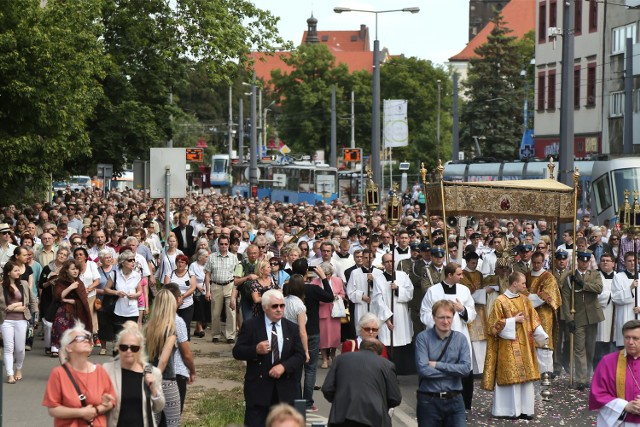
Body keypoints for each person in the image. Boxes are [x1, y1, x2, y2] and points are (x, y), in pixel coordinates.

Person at [232, 289, 306, 427]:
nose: (279, 309)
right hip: (258, 389)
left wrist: (284, 366)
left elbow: (300, 355)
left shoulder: (291, 328)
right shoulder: (251, 326)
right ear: (265, 307)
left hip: (284, 390)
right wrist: (255, 350)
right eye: (275, 306)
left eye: (282, 306)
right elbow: (237, 351)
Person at [482, 272, 548, 420]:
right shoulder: (500, 301)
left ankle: (525, 410)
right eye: (523, 283)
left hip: (525, 346)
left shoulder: (525, 300)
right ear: (514, 284)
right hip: (507, 346)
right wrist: (512, 321)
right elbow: (493, 327)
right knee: (510, 377)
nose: (525, 286)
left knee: (525, 380)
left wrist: (542, 335)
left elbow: (533, 320)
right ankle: (508, 410)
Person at [420, 262, 476, 410]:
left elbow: (472, 312)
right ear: (449, 275)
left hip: (460, 334)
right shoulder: (433, 291)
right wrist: (438, 324)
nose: (462, 276)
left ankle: (464, 404)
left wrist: (462, 309)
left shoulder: (464, 290)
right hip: (437, 337)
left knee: (462, 366)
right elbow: (424, 313)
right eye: (459, 274)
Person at [42, 322, 116, 426]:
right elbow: (53, 409)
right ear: (68, 347)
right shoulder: (58, 374)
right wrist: (81, 413)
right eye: (79, 338)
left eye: (87, 338)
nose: (86, 340)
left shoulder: (100, 371)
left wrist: (98, 409)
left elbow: (112, 402)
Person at [415, 300, 471, 427]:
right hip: (429, 401)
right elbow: (423, 370)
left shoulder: (461, 339)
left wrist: (437, 365)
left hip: (455, 401)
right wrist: (454, 371)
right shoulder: (423, 338)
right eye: (441, 317)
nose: (445, 321)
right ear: (433, 318)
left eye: (448, 317)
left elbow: (466, 369)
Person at [322, 338, 401, 427]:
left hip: (342, 417)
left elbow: (327, 388)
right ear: (379, 352)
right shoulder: (387, 365)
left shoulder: (341, 359)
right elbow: (395, 398)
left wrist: (340, 400)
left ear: (361, 347)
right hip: (374, 417)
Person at [102, 321, 165, 427]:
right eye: (124, 347)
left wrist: (154, 389)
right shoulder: (107, 370)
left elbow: (159, 407)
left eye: (134, 348)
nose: (128, 351)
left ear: (140, 349)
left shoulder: (153, 372)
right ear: (117, 348)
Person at [561, 251, 604, 390]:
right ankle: (581, 379)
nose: (584, 263)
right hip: (577, 317)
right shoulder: (570, 277)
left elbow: (599, 289)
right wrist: (568, 319)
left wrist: (582, 283)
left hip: (592, 316)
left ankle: (588, 375)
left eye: (586, 261)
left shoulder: (595, 274)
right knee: (579, 349)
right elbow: (566, 298)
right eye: (582, 261)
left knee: (590, 348)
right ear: (578, 261)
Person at [590, 319, 640, 426]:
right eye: (627, 337)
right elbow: (597, 393)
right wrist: (624, 406)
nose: (630, 342)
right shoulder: (608, 361)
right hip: (620, 422)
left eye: (635, 338)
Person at [372, 252, 414, 373]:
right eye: (387, 262)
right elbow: (377, 300)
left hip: (401, 314)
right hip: (387, 316)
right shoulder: (378, 279)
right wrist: (387, 318)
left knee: (401, 343)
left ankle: (401, 370)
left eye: (392, 261)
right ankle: (389, 371)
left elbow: (410, 293)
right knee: (388, 343)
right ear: (383, 264)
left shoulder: (403, 276)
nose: (390, 264)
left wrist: (398, 289)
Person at [144, 289, 180, 426]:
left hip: (149, 380)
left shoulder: (147, 328)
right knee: (172, 421)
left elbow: (144, 357)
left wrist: (149, 377)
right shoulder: (171, 329)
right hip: (167, 381)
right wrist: (157, 379)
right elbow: (164, 360)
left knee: (152, 421)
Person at [1, 260, 37, 383]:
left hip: (22, 319)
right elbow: (3, 306)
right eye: (15, 270)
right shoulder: (1, 286)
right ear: (8, 273)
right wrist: (12, 307)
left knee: (20, 349)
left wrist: (16, 305)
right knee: (8, 347)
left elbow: (31, 301)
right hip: (6, 320)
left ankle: (19, 368)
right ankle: (10, 374)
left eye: (18, 270)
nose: (19, 272)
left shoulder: (24, 284)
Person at [51, 259, 93, 360]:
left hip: (77, 314)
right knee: (62, 341)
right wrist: (70, 287)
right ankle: (65, 368)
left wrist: (70, 301)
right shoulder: (60, 282)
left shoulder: (80, 283)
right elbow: (59, 296)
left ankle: (73, 366)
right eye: (73, 269)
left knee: (75, 341)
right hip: (63, 314)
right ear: (66, 270)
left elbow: (83, 300)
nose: (75, 271)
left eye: (77, 269)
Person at [204, 234, 238, 343]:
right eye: (221, 244)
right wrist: (208, 291)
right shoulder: (212, 257)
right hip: (216, 286)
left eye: (226, 244)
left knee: (231, 312)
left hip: (229, 285)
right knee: (215, 312)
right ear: (218, 244)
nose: (224, 246)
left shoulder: (234, 257)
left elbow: (236, 275)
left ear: (229, 245)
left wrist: (235, 291)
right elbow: (207, 274)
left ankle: (230, 336)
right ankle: (216, 334)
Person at [104, 250, 142, 340]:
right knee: (119, 336)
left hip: (133, 310)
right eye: (130, 260)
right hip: (118, 310)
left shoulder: (136, 275)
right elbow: (106, 289)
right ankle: (117, 353)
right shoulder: (114, 274)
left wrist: (135, 295)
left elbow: (140, 291)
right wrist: (116, 292)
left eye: (134, 260)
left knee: (131, 337)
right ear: (123, 262)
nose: (133, 262)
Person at [39, 246, 70, 355]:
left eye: (64, 255)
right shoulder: (48, 268)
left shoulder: (67, 270)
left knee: (58, 324)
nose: (61, 256)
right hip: (48, 299)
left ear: (67, 257)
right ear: (56, 254)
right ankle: (48, 345)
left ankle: (55, 347)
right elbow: (41, 285)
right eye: (60, 253)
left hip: (61, 300)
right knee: (48, 324)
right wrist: (49, 282)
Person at [163, 254, 197, 340]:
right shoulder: (169, 274)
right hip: (172, 304)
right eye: (178, 262)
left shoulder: (190, 274)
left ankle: (185, 345)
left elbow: (193, 287)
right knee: (172, 325)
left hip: (187, 304)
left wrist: (182, 296)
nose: (180, 264)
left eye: (182, 262)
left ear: (186, 264)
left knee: (186, 325)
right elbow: (167, 287)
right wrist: (176, 299)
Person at [612, 252, 639, 348]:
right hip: (625, 316)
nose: (632, 263)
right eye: (629, 261)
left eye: (634, 260)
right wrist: (630, 288)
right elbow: (615, 298)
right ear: (624, 263)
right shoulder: (618, 277)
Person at [189, 248, 209, 338]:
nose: (207, 258)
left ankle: (197, 329)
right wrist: (197, 286)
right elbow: (190, 277)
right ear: (200, 257)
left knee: (205, 309)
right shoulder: (193, 265)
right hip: (196, 290)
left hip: (206, 289)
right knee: (199, 309)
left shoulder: (207, 266)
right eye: (206, 256)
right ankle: (200, 329)